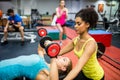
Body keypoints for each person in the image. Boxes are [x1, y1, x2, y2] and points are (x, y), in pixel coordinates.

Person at [58, 8, 104, 80]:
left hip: (96, 77)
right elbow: (60, 52)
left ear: (87, 24)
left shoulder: (90, 44)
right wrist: (47, 51)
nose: (75, 26)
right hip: (84, 72)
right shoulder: (76, 40)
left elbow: (77, 67)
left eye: (78, 24)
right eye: (75, 23)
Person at [0, 44, 72, 80]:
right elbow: (40, 49)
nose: (60, 56)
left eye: (64, 59)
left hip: (4, 72)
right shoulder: (44, 62)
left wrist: (53, 57)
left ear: (63, 68)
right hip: (4, 63)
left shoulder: (46, 74)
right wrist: (46, 42)